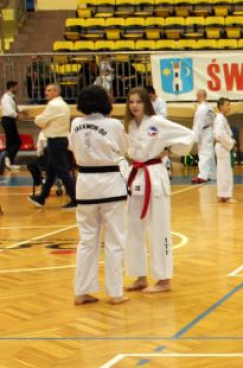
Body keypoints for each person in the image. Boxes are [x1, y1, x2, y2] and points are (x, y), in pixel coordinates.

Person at [124, 87, 195, 295]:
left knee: (159, 228)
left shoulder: (158, 123)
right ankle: (139, 276)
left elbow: (188, 135)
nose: (134, 106)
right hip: (136, 176)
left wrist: (170, 150)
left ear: (146, 103)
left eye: (138, 102)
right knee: (134, 229)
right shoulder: (129, 126)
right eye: (131, 102)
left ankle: (164, 279)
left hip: (154, 176)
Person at [68, 85, 129, 306]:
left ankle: (82, 291)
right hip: (110, 186)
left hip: (85, 186)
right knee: (115, 240)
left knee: (87, 241)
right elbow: (123, 149)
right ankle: (115, 293)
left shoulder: (75, 124)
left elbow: (73, 149)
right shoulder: (113, 124)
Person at [29, 84, 77, 209]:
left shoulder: (54, 105)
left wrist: (37, 118)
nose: (46, 93)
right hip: (59, 140)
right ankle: (41, 198)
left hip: (55, 141)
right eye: (46, 90)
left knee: (63, 171)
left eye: (49, 90)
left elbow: (40, 121)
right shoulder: (63, 104)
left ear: (56, 92)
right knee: (51, 172)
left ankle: (75, 199)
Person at [212, 97, 235, 203]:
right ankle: (226, 196)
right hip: (223, 146)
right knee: (225, 172)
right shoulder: (220, 118)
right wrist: (230, 143)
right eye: (227, 105)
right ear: (221, 106)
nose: (229, 107)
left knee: (222, 172)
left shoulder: (221, 118)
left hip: (222, 147)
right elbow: (220, 134)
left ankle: (222, 194)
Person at [190, 89, 216, 184]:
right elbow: (213, 119)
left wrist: (195, 136)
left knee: (204, 153)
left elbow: (199, 123)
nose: (196, 98)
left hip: (203, 131)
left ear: (200, 96)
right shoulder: (209, 107)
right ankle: (212, 174)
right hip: (208, 130)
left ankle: (202, 176)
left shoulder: (202, 108)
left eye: (197, 95)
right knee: (209, 153)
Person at [1, 80, 23, 172]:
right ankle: (8, 159)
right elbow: (9, 111)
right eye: (16, 87)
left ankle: (10, 162)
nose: (17, 89)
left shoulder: (10, 97)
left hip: (10, 120)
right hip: (8, 120)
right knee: (17, 141)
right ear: (12, 87)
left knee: (11, 142)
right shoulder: (6, 97)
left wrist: (21, 111)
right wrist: (17, 115)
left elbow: (13, 108)